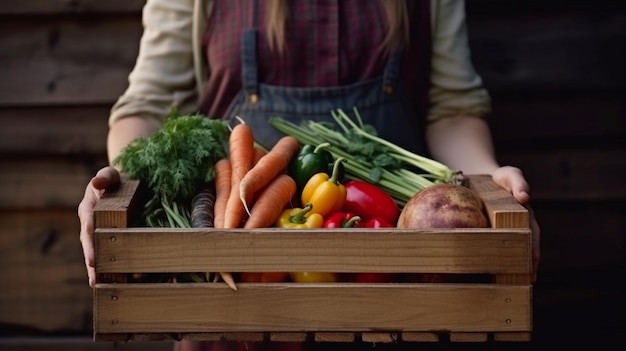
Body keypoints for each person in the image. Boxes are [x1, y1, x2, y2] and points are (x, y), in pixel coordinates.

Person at [78, 0, 541, 350]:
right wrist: (122, 178)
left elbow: (453, 108)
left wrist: (487, 179)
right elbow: (145, 108)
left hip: (398, 291)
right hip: (234, 299)